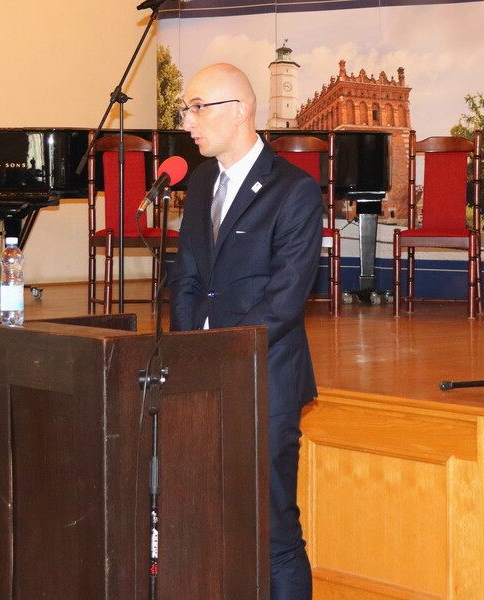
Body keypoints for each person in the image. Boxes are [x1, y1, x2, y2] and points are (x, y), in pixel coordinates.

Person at [167, 63, 322, 600]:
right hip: (200, 373)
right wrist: (188, 357)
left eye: (196, 107)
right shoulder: (202, 180)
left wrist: (222, 357)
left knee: (273, 529)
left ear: (238, 111)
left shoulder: (295, 191)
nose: (187, 121)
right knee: (208, 519)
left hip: (265, 379)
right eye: (185, 109)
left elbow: (284, 301)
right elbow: (186, 276)